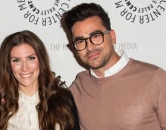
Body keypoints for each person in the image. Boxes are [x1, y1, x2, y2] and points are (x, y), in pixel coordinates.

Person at [61, 2, 166, 130]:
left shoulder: (155, 78)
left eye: (96, 36)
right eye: (80, 41)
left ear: (112, 36)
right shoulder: (79, 85)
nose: (90, 47)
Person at [0, 30, 80, 130]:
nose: (25, 68)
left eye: (31, 58)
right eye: (16, 60)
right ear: (8, 65)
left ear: (41, 60)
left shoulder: (63, 99)